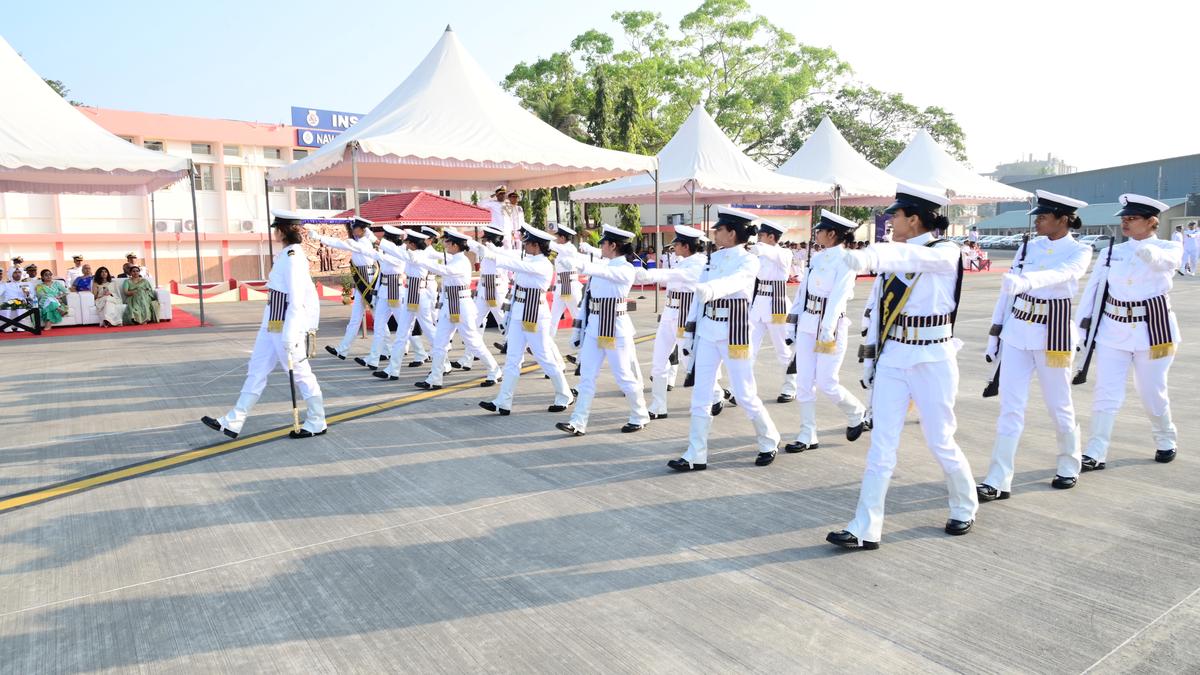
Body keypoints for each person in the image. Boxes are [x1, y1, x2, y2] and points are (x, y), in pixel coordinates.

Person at [827, 184, 977, 550]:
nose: (890, 220)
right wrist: (870, 361)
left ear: (914, 219)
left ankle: (963, 505)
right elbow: (877, 312)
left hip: (933, 357)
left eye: (895, 215)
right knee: (881, 445)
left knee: (940, 439)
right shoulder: (896, 257)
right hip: (895, 355)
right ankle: (864, 528)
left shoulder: (945, 252)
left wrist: (869, 256)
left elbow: (914, 260)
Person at [977, 190, 1093, 501]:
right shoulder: (1028, 246)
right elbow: (1006, 292)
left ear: (1063, 219)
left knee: (1059, 404)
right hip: (1018, 330)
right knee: (1010, 407)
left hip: (1053, 333)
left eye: (1044, 215)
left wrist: (1028, 282)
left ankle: (1069, 465)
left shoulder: (1080, 250)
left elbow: (1064, 274)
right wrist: (995, 334)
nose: (1038, 220)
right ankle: (998, 478)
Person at [668, 207, 782, 471]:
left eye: (719, 229)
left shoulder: (748, 260)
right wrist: (690, 330)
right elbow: (698, 298)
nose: (714, 232)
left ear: (732, 233)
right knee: (701, 393)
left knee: (744, 393)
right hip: (709, 329)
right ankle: (695, 453)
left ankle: (769, 438)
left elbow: (736, 282)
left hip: (735, 333)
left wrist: (709, 289)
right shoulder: (713, 259)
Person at [1077, 194, 1183, 470]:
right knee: (1106, 391)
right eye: (1123, 218)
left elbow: (1167, 263)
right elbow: (1094, 290)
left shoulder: (1168, 246)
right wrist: (1081, 327)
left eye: (1132, 218)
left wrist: (1148, 251)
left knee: (1151, 391)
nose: (1125, 222)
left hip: (1154, 330)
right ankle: (1095, 451)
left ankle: (1165, 438)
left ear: (1152, 222)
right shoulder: (1113, 251)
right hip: (1114, 329)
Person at [203, 210, 325, 439]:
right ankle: (233, 421)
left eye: (276, 228)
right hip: (273, 323)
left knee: (301, 374)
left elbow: (297, 299)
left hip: (287, 326)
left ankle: (317, 420)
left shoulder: (294, 257)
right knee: (256, 370)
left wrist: (290, 333)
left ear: (283, 230)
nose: (275, 232)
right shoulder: (286, 254)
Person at [784, 210, 868, 453]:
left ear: (832, 234)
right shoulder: (818, 258)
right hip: (808, 324)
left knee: (827, 382)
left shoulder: (846, 261)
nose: (816, 233)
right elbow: (803, 293)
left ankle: (856, 412)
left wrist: (827, 329)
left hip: (829, 327)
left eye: (820, 230)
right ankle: (807, 433)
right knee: (804, 382)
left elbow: (838, 298)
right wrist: (792, 322)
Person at [554, 224, 650, 436]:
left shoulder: (624, 268)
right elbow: (588, 301)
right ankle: (578, 422)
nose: (602, 247)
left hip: (615, 328)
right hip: (595, 327)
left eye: (604, 243)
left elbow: (605, 271)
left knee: (624, 376)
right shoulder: (603, 265)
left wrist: (579, 265)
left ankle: (640, 414)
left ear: (613, 245)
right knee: (586, 376)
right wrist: (578, 330)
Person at [473, 224, 575, 415]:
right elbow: (514, 260)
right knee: (512, 359)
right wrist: (490, 250)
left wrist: (492, 256)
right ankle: (503, 401)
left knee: (544, 356)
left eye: (527, 243)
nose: (524, 246)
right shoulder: (529, 259)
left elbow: (516, 264)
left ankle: (565, 395)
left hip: (535, 314)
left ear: (536, 246)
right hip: (519, 312)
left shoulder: (542, 264)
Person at [634, 224, 728, 420]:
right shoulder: (682, 261)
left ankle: (716, 394)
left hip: (685, 317)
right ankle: (658, 406)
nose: (673, 247)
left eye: (676, 244)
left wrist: (650, 274)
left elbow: (673, 275)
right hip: (670, 313)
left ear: (686, 246)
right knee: (659, 362)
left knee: (689, 361)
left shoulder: (698, 264)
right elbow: (669, 279)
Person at [410, 229, 502, 390]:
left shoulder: (461, 261)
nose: (444, 244)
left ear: (454, 245)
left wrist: (421, 261)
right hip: (449, 305)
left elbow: (445, 271)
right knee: (440, 343)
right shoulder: (453, 259)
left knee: (473, 341)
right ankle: (435, 378)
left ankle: (495, 371)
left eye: (447, 242)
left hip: (462, 305)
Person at [372, 229, 439, 380]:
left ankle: (444, 361)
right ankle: (393, 370)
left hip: (419, 295)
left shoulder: (418, 255)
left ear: (413, 244)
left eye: (408, 242)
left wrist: (379, 242)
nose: (405, 245)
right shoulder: (412, 254)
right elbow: (398, 253)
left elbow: (399, 254)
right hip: (411, 294)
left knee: (429, 330)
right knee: (401, 333)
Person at [748, 218, 799, 403]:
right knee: (748, 348)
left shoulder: (783, 253)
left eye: (761, 235)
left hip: (777, 306)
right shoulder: (761, 253)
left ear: (771, 237)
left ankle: (790, 387)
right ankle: (742, 389)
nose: (758, 238)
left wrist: (752, 245)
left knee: (783, 350)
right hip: (759, 304)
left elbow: (763, 250)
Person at [315, 217, 379, 360]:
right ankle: (342, 350)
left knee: (378, 319)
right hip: (361, 283)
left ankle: (386, 350)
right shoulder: (361, 242)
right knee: (355, 319)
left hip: (368, 284)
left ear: (363, 229)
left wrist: (319, 237)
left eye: (355, 227)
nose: (353, 230)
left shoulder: (360, 243)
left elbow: (338, 243)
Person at [547, 223, 582, 340]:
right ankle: (546, 344)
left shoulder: (570, 248)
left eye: (557, 237)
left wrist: (546, 239)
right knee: (553, 317)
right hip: (560, 286)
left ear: (562, 238)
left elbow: (556, 248)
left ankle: (583, 343)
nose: (556, 239)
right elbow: (550, 258)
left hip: (570, 285)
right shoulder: (559, 250)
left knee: (577, 315)